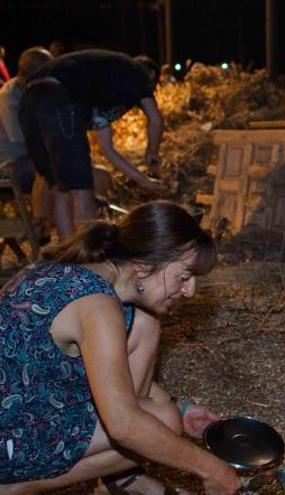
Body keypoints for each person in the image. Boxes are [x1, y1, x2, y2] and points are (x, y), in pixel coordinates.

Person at [0, 201, 240, 494]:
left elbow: (108, 372)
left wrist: (183, 409)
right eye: (184, 276)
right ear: (143, 266)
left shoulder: (73, 274)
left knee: (148, 340)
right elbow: (123, 425)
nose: (190, 291)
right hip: (7, 435)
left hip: (24, 407)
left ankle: (125, 479)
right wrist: (213, 471)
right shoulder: (96, 306)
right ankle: (15, 487)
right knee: (158, 421)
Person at [19, 49, 167, 242]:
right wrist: (152, 153)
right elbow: (155, 119)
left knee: (59, 187)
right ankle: (87, 259)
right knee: (81, 190)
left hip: (29, 101)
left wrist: (143, 181)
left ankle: (70, 259)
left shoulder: (103, 84)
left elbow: (108, 150)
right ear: (152, 75)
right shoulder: (137, 73)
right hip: (57, 96)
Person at [0, 47, 52, 230]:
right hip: (10, 165)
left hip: (25, 159)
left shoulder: (29, 91)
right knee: (49, 168)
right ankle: (42, 225)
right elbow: (21, 140)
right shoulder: (9, 97)